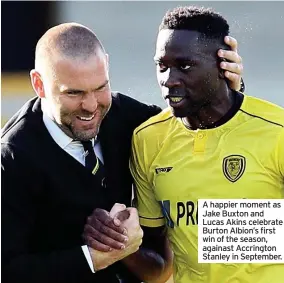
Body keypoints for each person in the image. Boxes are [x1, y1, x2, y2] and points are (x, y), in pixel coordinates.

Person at [1, 20, 243, 283]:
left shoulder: (127, 116)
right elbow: (8, 269)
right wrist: (95, 257)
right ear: (38, 84)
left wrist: (227, 93)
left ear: (106, 65)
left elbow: (194, 136)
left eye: (100, 87)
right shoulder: (12, 158)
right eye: (74, 93)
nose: (91, 106)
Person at [83, 6, 284, 283]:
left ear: (223, 63)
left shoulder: (277, 132)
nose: (169, 80)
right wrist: (116, 242)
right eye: (161, 66)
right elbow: (159, 268)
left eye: (184, 66)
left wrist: (223, 228)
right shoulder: (148, 139)